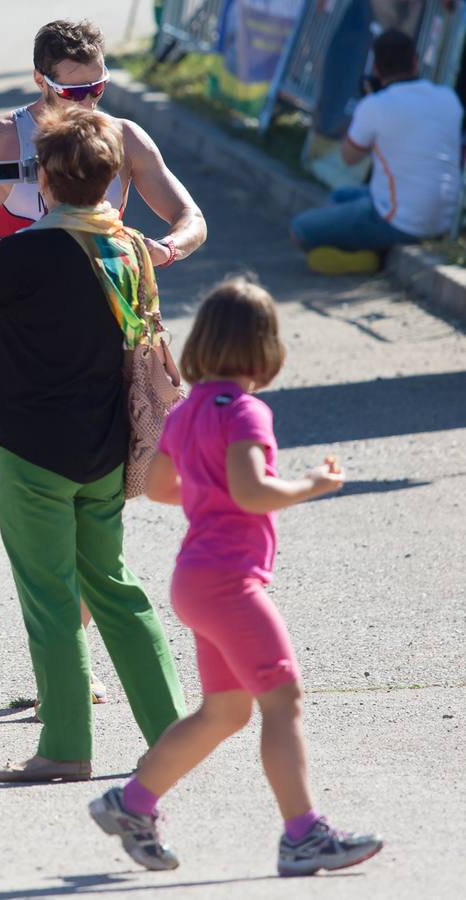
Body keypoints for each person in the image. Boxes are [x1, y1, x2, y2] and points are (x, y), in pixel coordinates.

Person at [0, 18, 205, 711]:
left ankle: (68, 673)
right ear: (39, 82)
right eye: (70, 90)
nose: (85, 102)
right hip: (20, 330)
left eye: (96, 88)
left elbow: (190, 217)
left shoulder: (125, 139)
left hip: (109, 331)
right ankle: (66, 670)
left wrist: (160, 250)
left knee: (96, 495)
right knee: (45, 490)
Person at [88, 276, 383, 877]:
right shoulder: (246, 412)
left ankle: (131, 802)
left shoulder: (191, 409)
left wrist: (211, 487)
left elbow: (164, 487)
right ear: (265, 349)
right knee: (283, 700)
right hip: (230, 581)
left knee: (226, 712)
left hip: (194, 580)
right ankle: (304, 836)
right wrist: (311, 485)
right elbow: (252, 491)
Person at [0, 106, 185, 783]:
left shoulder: (27, 251)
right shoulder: (130, 246)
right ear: (110, 179)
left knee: (49, 594)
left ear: (42, 177)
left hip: (32, 447)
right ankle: (170, 731)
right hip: (109, 445)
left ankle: (67, 746)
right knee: (113, 585)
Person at [290, 29, 463, 275]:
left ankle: (368, 259)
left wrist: (366, 105)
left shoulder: (376, 105)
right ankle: (369, 247)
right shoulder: (449, 98)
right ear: (415, 61)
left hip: (400, 220)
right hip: (446, 219)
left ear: (376, 69)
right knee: (342, 197)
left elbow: (349, 158)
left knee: (300, 230)